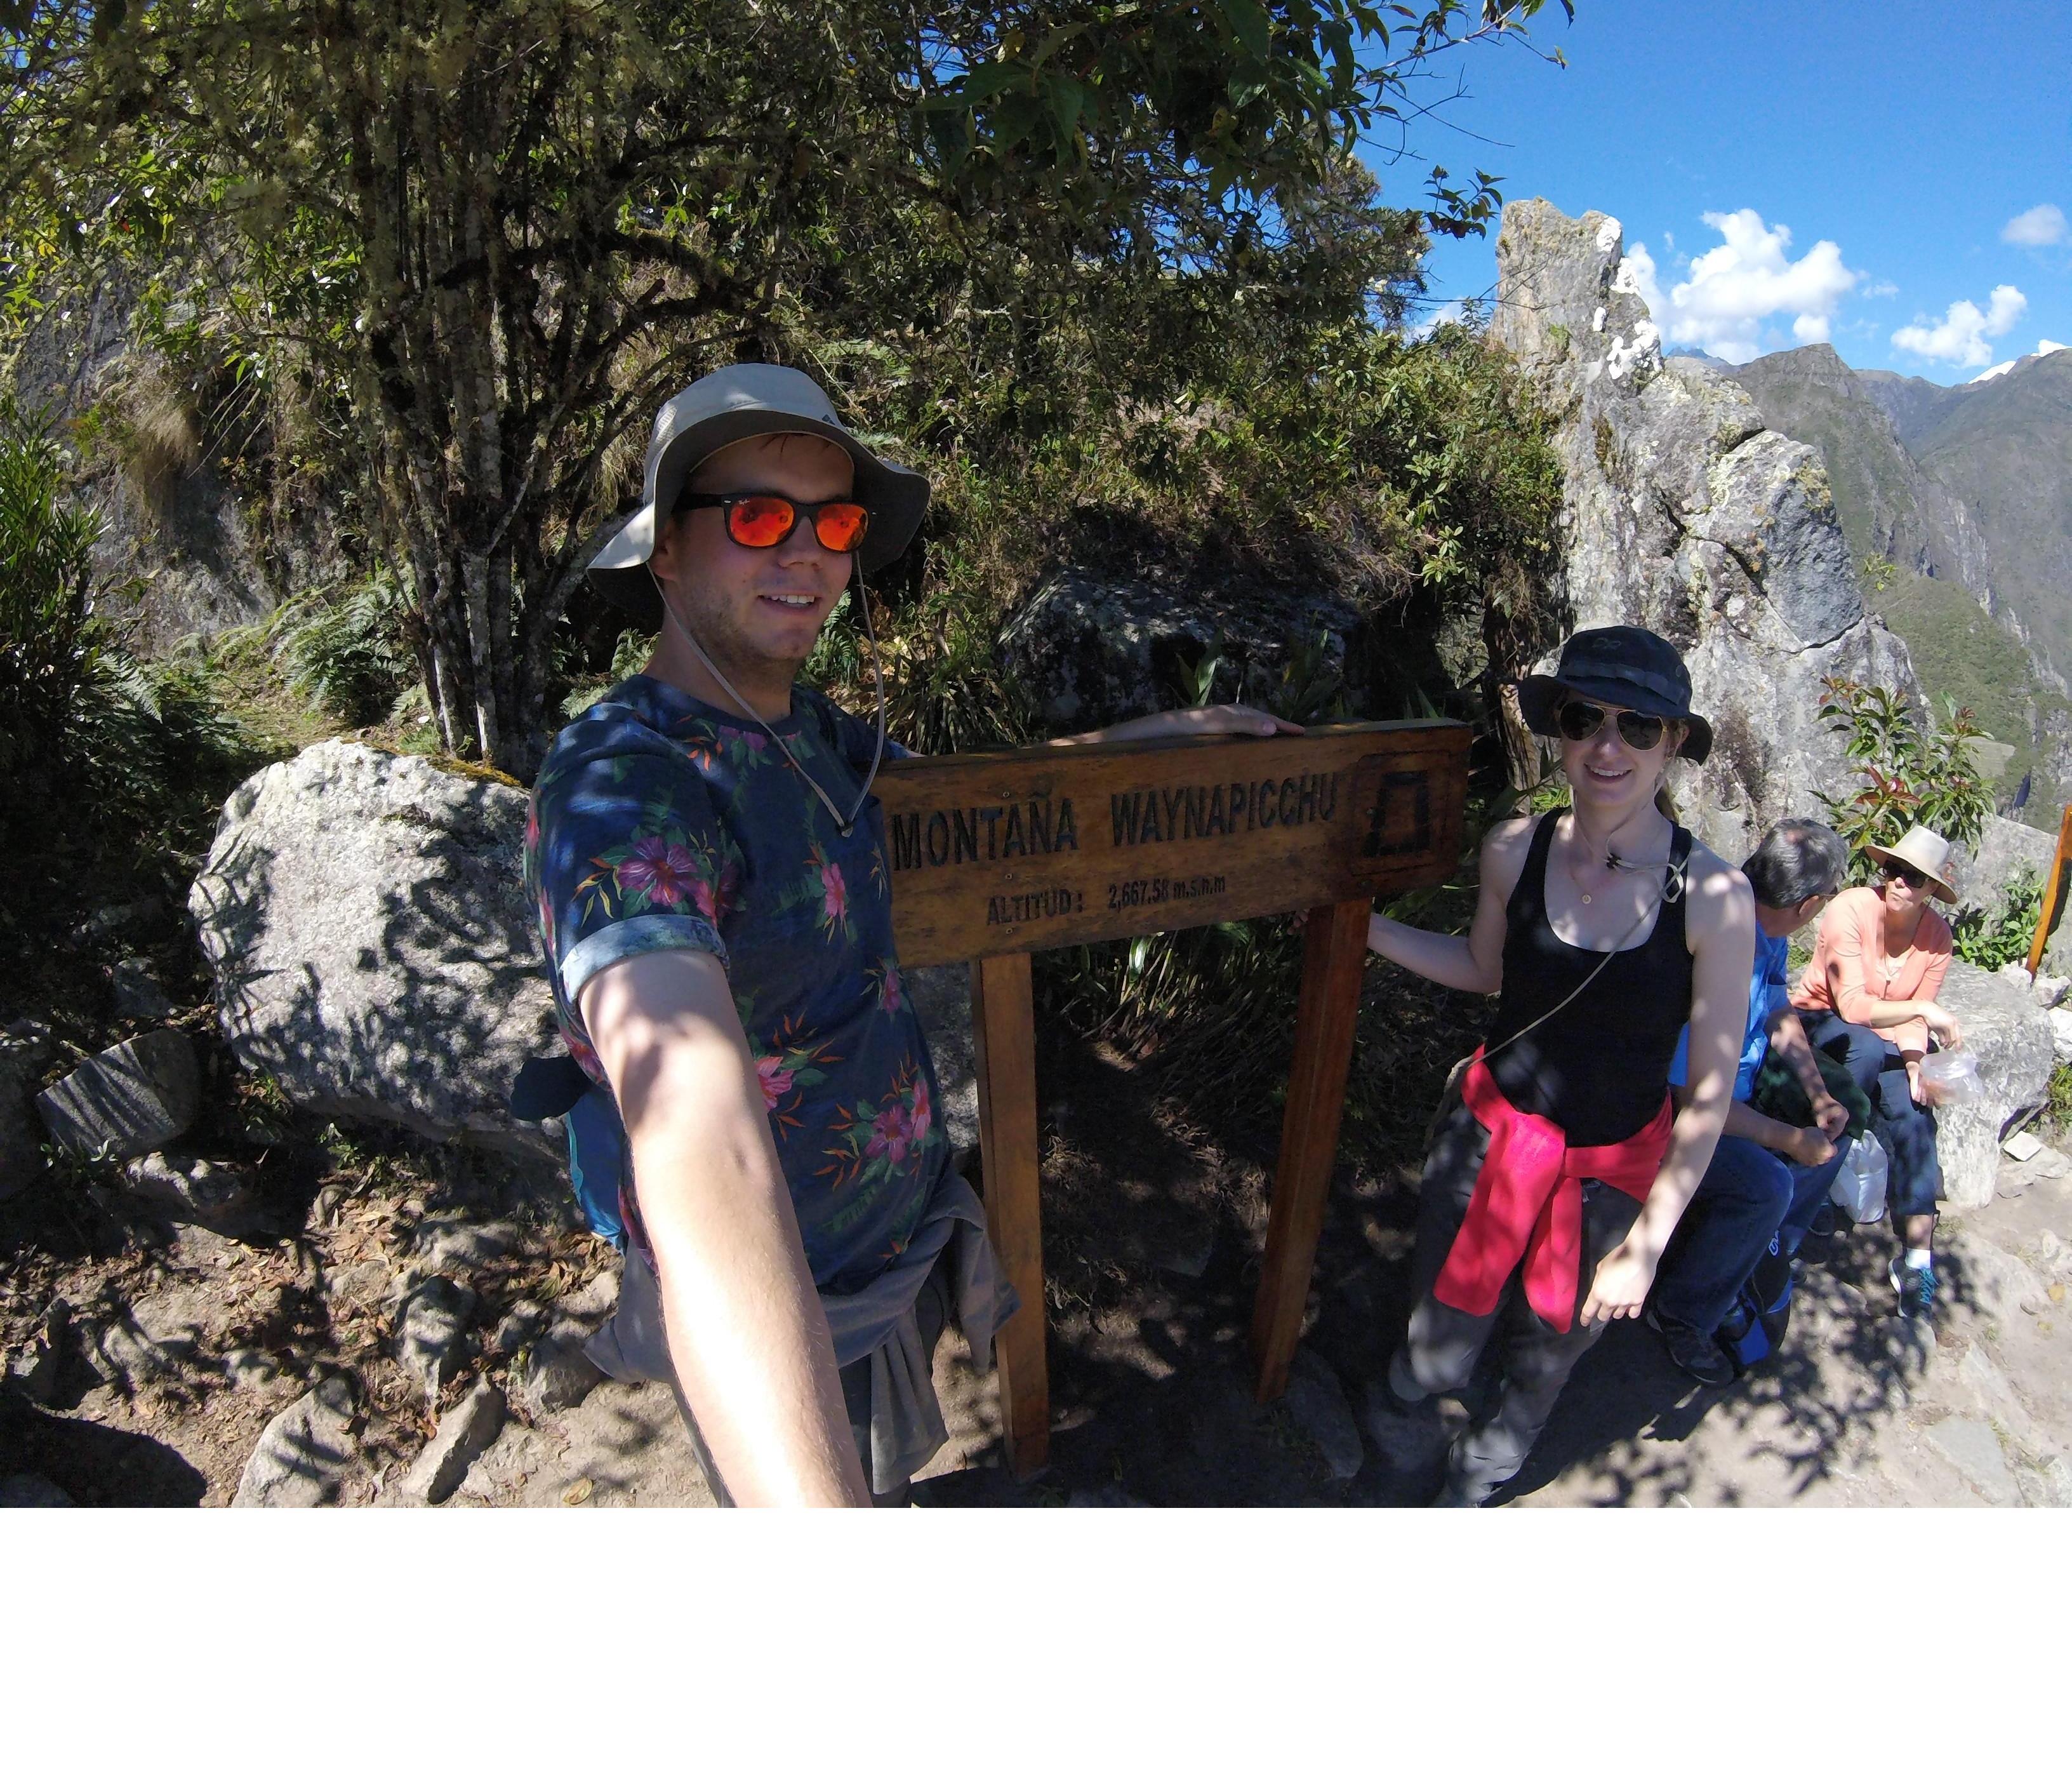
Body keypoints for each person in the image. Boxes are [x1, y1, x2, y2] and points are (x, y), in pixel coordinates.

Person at [524, 363, 1298, 1507]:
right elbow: (696, 1127)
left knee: (890, 1466)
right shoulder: (624, 785)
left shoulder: (803, 730)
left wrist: (1168, 732)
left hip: (898, 1242)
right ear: (666, 551)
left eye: (832, 523)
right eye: (755, 515)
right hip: (786, 1297)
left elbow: (960, 792)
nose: (806, 554)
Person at [1365, 624, 1755, 1505]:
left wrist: (1645, 1248)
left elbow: (1709, 1094)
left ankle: (1478, 1481)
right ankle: (1397, 1454)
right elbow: (1486, 972)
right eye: (1585, 719)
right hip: (1487, 1145)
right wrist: (1361, 931)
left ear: (1674, 744)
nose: (1607, 746)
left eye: (1638, 727)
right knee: (1441, 1333)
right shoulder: (1513, 848)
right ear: (1560, 731)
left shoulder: (1715, 899)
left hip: (1610, 1185)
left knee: (1547, 1359)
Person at [1645, 818, 1856, 1384]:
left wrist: (1817, 1094)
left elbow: (1778, 1006)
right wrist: (1788, 1138)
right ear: (1811, 904)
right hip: (1673, 1113)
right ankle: (1682, 1314)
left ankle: (1760, 1251)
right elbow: (1691, 1097)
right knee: (1771, 1184)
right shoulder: (1718, 939)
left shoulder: (1768, 922)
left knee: (1846, 1107)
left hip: (1739, 1080)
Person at [1790, 822, 1964, 1320]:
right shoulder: (1851, 908)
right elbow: (1851, 1006)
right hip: (1820, 1021)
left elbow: (1913, 1017)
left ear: (1934, 890)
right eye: (1893, 870)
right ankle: (1820, 1171)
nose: (1900, 882)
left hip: (1883, 1037)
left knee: (1914, 1113)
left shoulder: (1937, 938)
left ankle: (1916, 1259)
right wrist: (1925, 1016)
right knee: (1864, 1051)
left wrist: (1915, 1066)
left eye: (1914, 877)